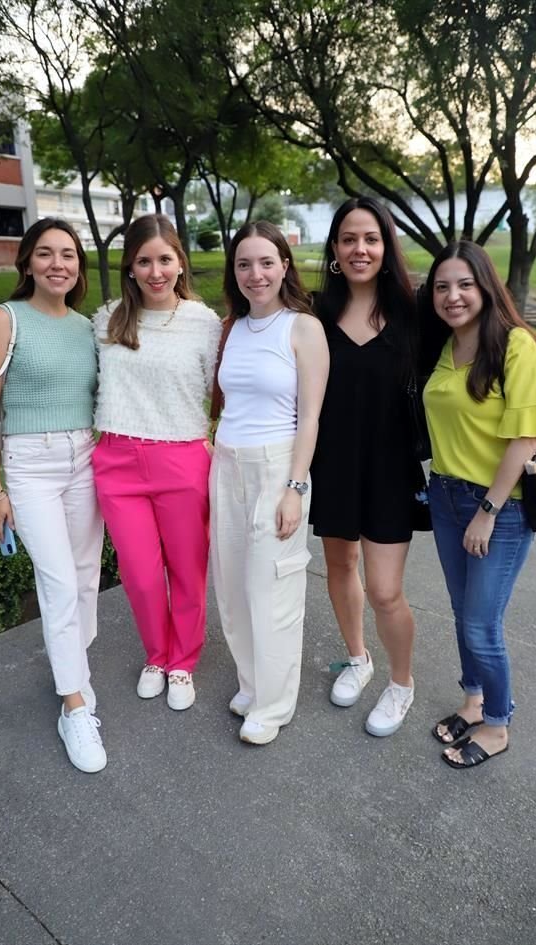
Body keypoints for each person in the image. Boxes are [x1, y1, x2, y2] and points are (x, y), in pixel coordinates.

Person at [0, 218, 106, 774]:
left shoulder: (85, 327)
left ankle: (75, 666)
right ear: (27, 262)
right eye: (46, 254)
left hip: (84, 460)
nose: (59, 264)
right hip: (30, 466)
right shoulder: (6, 319)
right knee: (55, 581)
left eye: (68, 255)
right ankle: (73, 706)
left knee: (83, 576)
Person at [422, 240, 536, 769]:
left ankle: (498, 724)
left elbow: (525, 438)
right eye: (442, 286)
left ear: (485, 286)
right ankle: (473, 701)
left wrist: (489, 509)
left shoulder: (515, 345)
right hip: (444, 495)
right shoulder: (446, 347)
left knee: (482, 622)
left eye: (464, 284)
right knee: (462, 614)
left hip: (499, 508)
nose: (453, 296)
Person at [92, 214, 222, 710]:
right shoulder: (106, 320)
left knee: (187, 570)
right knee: (141, 573)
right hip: (118, 460)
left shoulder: (203, 322)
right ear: (130, 266)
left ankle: (183, 662)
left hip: (182, 457)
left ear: (179, 263)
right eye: (144, 261)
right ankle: (156, 655)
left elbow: (217, 393)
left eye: (164, 259)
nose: (155, 271)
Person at [310, 196, 427, 738]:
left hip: (390, 469)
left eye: (371, 239)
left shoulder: (414, 314)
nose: (360, 249)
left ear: (386, 247)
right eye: (350, 239)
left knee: (385, 590)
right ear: (334, 249)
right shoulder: (312, 314)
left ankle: (401, 683)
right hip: (332, 464)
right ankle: (358, 658)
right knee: (339, 566)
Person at [209, 220, 329, 745]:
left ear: (284, 265)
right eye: (243, 264)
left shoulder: (302, 328)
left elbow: (311, 417)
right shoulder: (230, 327)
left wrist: (295, 488)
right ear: (234, 272)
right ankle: (252, 683)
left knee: (272, 588)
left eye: (265, 262)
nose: (255, 274)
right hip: (227, 464)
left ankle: (275, 704)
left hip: (278, 467)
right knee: (233, 588)